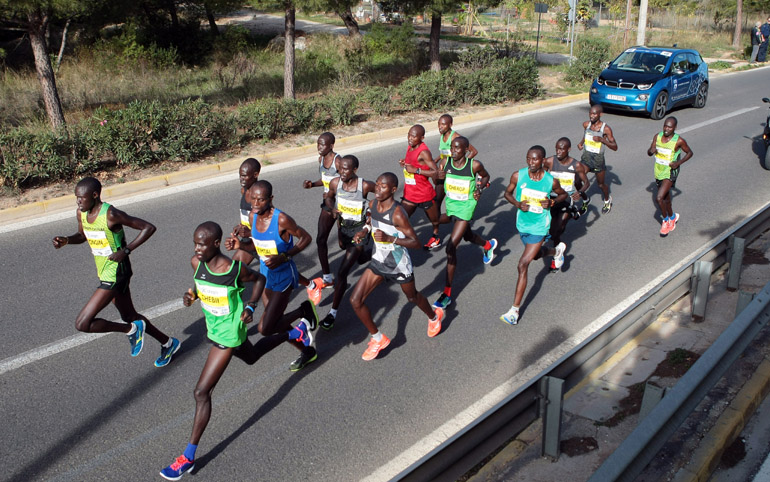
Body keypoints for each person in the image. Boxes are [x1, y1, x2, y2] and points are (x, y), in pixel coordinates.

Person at [161, 222, 277, 480]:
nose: (197, 248)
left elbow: (258, 279)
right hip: (212, 330)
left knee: (202, 392)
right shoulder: (196, 263)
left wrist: (251, 306)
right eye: (195, 243)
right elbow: (201, 286)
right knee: (252, 356)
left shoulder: (234, 270)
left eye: (202, 244)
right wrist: (192, 295)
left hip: (228, 334)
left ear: (216, 244)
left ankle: (188, 457)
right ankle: (295, 333)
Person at [52, 177, 180, 367]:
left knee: (83, 323)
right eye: (76, 198)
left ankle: (130, 330)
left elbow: (148, 227)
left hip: (117, 273)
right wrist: (67, 240)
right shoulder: (81, 213)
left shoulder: (111, 214)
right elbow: (82, 235)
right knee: (129, 315)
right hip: (104, 272)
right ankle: (168, 343)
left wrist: (125, 251)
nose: (78, 202)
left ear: (95, 195)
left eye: (81, 198)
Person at [349, 173, 446, 360]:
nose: (378, 189)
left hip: (399, 265)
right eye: (377, 185)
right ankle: (378, 338)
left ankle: (434, 316)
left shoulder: (398, 213)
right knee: (355, 300)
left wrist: (390, 238)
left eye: (383, 186)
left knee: (412, 298)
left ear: (393, 190)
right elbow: (371, 222)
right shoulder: (372, 205)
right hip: (379, 261)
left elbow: (416, 242)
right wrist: (364, 231)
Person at [226, 180, 320, 371]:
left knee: (265, 328)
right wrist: (240, 246)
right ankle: (308, 352)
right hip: (266, 275)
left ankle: (303, 311)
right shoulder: (253, 217)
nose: (255, 204)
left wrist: (284, 256)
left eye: (260, 200)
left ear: (271, 199)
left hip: (285, 277)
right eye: (253, 199)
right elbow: (257, 246)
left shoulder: (282, 220)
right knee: (277, 323)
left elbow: (307, 238)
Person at [500, 147, 568, 325]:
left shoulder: (550, 181)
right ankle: (556, 252)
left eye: (535, 159)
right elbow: (507, 193)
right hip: (523, 224)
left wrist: (552, 201)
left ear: (543, 160)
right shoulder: (518, 176)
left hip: (540, 226)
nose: (531, 162)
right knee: (535, 255)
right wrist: (517, 203)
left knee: (523, 263)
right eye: (528, 159)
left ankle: (514, 310)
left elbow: (563, 194)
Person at [432, 136, 497, 310]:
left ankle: (447, 294)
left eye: (457, 148)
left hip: (466, 208)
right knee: (466, 235)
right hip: (452, 205)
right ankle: (488, 245)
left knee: (450, 247)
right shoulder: (445, 164)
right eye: (452, 147)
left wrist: (480, 189)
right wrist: (437, 178)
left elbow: (485, 176)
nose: (453, 151)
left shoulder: (473, 165)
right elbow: (438, 183)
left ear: (466, 150)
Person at [320, 155, 376, 330]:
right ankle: (370, 255)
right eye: (340, 168)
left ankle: (333, 313)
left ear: (355, 170)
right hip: (343, 230)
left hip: (359, 233)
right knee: (355, 256)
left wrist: (372, 209)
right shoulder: (336, 183)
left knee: (342, 273)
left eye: (345, 169)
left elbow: (383, 194)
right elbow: (328, 198)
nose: (341, 172)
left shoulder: (365, 185)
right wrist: (332, 208)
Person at [544, 137, 591, 272]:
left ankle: (556, 258)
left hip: (567, 200)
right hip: (553, 199)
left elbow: (586, 183)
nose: (558, 152)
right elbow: (541, 176)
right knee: (553, 232)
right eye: (556, 149)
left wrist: (580, 192)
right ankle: (558, 251)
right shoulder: (549, 161)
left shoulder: (576, 165)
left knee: (559, 228)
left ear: (568, 149)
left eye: (561, 149)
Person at [303, 132, 342, 289]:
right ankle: (327, 277)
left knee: (343, 244)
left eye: (323, 144)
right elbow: (325, 180)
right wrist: (312, 184)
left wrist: (334, 193)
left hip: (341, 206)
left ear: (331, 145)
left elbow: (349, 182)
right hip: (328, 204)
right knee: (321, 240)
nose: (319, 147)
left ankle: (365, 255)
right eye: (318, 144)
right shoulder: (320, 159)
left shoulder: (338, 161)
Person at [647, 116, 693, 237]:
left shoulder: (679, 141)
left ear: (675, 128)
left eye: (670, 127)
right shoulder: (657, 136)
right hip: (658, 170)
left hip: (670, 172)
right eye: (665, 126)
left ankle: (666, 221)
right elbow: (649, 151)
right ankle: (673, 216)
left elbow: (690, 153)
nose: (666, 129)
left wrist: (678, 163)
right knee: (666, 198)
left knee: (659, 198)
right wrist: (651, 151)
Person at [399, 125, 443, 250]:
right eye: (409, 135)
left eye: (414, 136)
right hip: (410, 194)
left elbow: (436, 172)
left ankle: (436, 236)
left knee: (435, 220)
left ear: (422, 137)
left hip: (424, 194)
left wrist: (416, 170)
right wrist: (405, 163)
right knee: (401, 218)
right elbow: (412, 164)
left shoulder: (424, 152)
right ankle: (402, 241)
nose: (410, 138)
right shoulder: (410, 146)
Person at [577, 105, 617, 214]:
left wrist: (602, 140)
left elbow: (615, 147)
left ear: (600, 114)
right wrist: (581, 143)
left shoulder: (606, 129)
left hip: (598, 160)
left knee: (601, 185)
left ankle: (607, 200)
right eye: (590, 113)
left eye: (594, 114)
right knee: (577, 179)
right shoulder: (586, 125)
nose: (592, 116)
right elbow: (586, 135)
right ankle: (585, 199)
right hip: (586, 158)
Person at [433, 114, 479, 208]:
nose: (440, 127)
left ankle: (463, 218)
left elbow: (473, 151)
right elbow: (446, 153)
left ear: (450, 125)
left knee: (455, 199)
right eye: (439, 124)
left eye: (443, 124)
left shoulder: (455, 137)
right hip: (444, 170)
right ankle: (437, 221)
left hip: (453, 172)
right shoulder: (443, 135)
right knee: (437, 198)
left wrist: (463, 165)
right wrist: (437, 159)